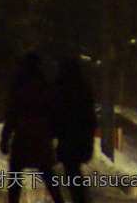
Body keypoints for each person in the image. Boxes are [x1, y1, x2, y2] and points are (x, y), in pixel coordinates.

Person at [0, 52, 64, 203]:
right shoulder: (44, 85)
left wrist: (5, 137)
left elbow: (12, 114)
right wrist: (53, 133)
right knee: (47, 172)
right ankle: (59, 201)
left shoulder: (19, 86)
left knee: (15, 173)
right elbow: (54, 112)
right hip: (41, 137)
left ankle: (13, 201)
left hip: (23, 136)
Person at [52, 58, 96, 203]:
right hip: (80, 136)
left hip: (68, 136)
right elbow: (90, 116)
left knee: (71, 170)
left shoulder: (61, 88)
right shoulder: (84, 88)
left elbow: (57, 112)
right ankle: (80, 198)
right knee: (73, 170)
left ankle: (79, 198)